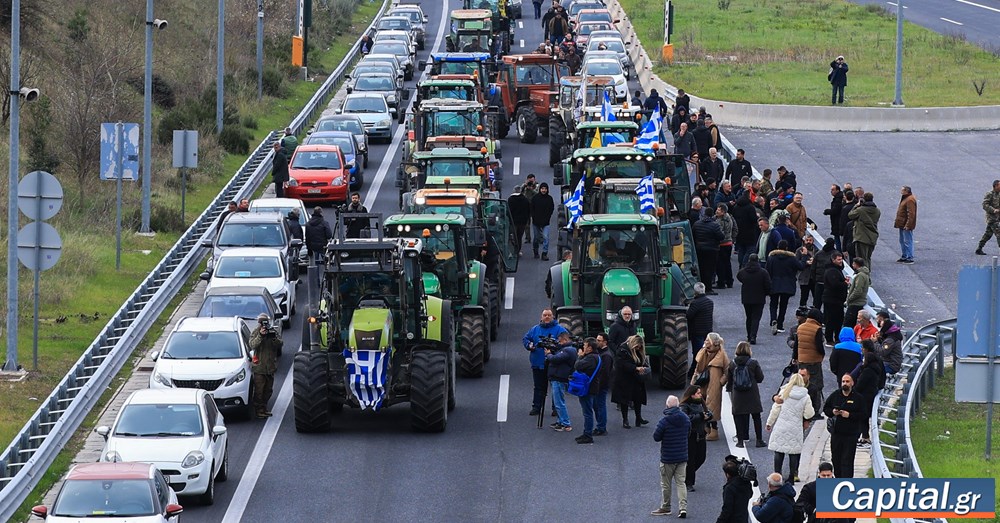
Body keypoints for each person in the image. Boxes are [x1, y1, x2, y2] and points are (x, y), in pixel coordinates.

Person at [765, 373, 814, 484]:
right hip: (795, 427)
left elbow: (775, 410)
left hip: (781, 425)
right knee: (793, 452)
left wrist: (769, 423)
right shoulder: (805, 396)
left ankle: (777, 475)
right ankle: (792, 477)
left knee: (779, 451)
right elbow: (809, 413)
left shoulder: (784, 393)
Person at [522, 309, 568, 416]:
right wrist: (529, 345)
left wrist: (555, 346)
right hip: (538, 364)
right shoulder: (535, 329)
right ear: (541, 317)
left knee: (555, 387)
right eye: (545, 315)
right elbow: (526, 339)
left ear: (553, 317)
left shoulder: (560, 329)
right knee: (538, 387)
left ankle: (556, 408)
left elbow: (567, 342)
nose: (547, 317)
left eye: (549, 315)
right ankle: (537, 407)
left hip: (554, 364)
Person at [651, 395, 690, 517]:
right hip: (682, 456)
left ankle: (666, 507)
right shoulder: (686, 419)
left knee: (666, 484)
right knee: (681, 483)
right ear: (678, 405)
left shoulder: (664, 421)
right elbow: (688, 433)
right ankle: (682, 508)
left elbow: (656, 437)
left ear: (667, 406)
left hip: (668, 458)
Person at [824, 374, 864, 478]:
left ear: (852, 383)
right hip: (837, 434)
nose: (845, 383)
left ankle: (847, 483)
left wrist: (849, 415)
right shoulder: (835, 395)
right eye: (843, 381)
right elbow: (826, 409)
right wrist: (833, 412)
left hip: (851, 434)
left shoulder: (858, 398)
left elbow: (864, 414)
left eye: (847, 381)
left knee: (847, 460)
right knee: (836, 459)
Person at [690, 332, 729, 441]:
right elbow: (697, 368)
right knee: (703, 405)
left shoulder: (722, 355)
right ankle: (706, 427)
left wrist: (721, 382)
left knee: (712, 407)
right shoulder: (703, 352)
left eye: (707, 340)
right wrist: (694, 379)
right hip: (702, 383)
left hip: (714, 384)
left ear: (712, 342)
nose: (705, 341)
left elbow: (728, 370)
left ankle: (714, 430)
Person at [726, 341, 765, 448]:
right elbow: (760, 378)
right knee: (756, 416)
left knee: (738, 416)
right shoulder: (753, 363)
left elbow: (729, 380)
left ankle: (740, 441)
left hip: (737, 394)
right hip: (752, 393)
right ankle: (759, 440)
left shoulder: (732, 363)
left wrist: (730, 389)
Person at [249, 313, 283, 418]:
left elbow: (280, 344)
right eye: (262, 322)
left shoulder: (272, 330)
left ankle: (264, 408)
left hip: (270, 367)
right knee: (259, 391)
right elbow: (252, 345)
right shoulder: (256, 332)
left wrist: (273, 338)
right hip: (259, 367)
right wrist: (261, 335)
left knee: (268, 390)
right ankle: (258, 410)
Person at [679, 385, 712, 492]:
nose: (700, 394)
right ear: (692, 395)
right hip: (690, 436)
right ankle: (689, 482)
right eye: (698, 393)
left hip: (701, 435)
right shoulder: (684, 405)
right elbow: (685, 419)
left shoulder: (701, 403)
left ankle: (686, 475)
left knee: (701, 458)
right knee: (691, 460)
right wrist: (700, 416)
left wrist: (709, 415)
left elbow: (707, 412)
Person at [766, 240, 802, 335]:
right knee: (783, 305)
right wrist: (805, 256)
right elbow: (800, 266)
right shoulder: (791, 258)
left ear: (777, 247)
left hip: (774, 283)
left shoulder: (771, 258)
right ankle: (780, 324)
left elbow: (768, 270)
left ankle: (773, 319)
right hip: (787, 284)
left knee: (773, 304)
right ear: (787, 248)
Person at [613, 335, 650, 429]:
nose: (638, 348)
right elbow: (621, 364)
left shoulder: (638, 350)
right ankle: (625, 420)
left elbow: (642, 360)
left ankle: (639, 418)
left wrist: (644, 367)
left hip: (636, 378)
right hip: (624, 379)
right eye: (637, 346)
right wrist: (635, 368)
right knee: (624, 400)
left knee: (638, 399)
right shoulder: (622, 350)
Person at [545, 331, 577, 432]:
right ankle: (560, 421)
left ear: (565, 340)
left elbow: (555, 359)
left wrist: (548, 354)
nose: (558, 343)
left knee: (559, 403)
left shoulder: (568, 350)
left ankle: (566, 423)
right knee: (558, 401)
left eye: (560, 341)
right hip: (557, 377)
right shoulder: (566, 349)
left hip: (559, 378)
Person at [853, 345, 884, 448]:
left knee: (862, 417)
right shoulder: (875, 369)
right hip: (870, 395)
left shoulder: (867, 371)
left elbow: (860, 385)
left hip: (865, 397)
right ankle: (864, 436)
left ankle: (865, 437)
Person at [574, 337, 603, 444]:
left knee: (587, 412)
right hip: (592, 387)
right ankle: (587, 432)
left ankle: (588, 435)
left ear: (590, 348)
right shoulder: (597, 357)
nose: (583, 348)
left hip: (587, 388)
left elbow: (577, 366)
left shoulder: (591, 358)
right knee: (589, 411)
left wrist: (580, 356)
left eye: (585, 346)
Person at [737, 254, 771, 344]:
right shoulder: (763, 272)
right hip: (759, 297)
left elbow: (739, 276)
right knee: (756, 318)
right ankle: (753, 336)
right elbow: (768, 284)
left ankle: (748, 335)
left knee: (749, 317)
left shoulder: (743, 271)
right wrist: (766, 292)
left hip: (746, 297)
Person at [686, 282, 714, 377]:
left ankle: (694, 372)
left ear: (695, 292)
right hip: (707, 330)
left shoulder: (695, 303)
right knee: (706, 352)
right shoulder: (710, 302)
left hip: (697, 331)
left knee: (698, 353)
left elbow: (689, 315)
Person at [693, 212, 725, 295]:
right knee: (710, 269)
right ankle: (708, 288)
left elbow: (693, 235)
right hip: (712, 250)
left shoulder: (697, 224)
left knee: (701, 268)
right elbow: (721, 236)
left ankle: (701, 288)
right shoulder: (715, 225)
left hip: (699, 249)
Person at [848, 193, 880, 272]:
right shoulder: (877, 211)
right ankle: (867, 274)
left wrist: (856, 205)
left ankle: (864, 276)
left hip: (861, 237)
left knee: (861, 259)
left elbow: (850, 215)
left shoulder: (860, 210)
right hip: (872, 236)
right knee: (868, 258)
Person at [716, 458, 754, 523]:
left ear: (727, 474)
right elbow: (750, 494)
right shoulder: (746, 483)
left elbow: (727, 509)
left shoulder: (729, 488)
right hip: (743, 518)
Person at [822, 252, 848, 344]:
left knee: (838, 320)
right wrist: (845, 284)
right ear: (833, 260)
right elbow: (834, 284)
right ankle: (829, 339)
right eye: (839, 259)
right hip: (832, 300)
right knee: (832, 320)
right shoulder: (832, 271)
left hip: (836, 299)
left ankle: (836, 338)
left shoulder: (836, 269)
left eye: (841, 259)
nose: (841, 261)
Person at [594, 332, 614, 436]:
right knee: (597, 405)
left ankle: (601, 427)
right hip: (598, 384)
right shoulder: (601, 353)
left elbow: (605, 374)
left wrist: (598, 386)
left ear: (605, 342)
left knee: (600, 406)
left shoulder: (606, 356)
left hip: (601, 385)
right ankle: (600, 425)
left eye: (599, 340)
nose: (596, 342)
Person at [716, 203, 739, 289]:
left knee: (720, 264)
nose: (716, 211)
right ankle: (729, 281)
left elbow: (719, 232)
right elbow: (735, 229)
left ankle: (721, 282)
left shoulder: (721, 220)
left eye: (718, 210)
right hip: (728, 243)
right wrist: (732, 239)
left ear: (723, 211)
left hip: (722, 244)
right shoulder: (730, 218)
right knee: (727, 263)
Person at [530, 182, 555, 260]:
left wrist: (548, 217)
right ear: (540, 189)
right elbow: (531, 209)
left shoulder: (549, 199)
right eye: (542, 189)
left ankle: (544, 253)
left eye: (545, 189)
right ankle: (536, 251)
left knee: (546, 237)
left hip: (546, 222)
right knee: (536, 238)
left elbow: (551, 208)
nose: (544, 190)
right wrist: (534, 217)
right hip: (536, 222)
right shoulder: (535, 198)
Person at [843, 258, 870, 328]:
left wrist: (849, 299)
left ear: (856, 265)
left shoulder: (860, 275)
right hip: (858, 303)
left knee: (848, 324)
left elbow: (858, 291)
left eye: (853, 264)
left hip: (855, 303)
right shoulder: (864, 274)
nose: (852, 265)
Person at [894, 186, 917, 263]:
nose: (901, 191)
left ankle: (909, 257)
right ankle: (904, 255)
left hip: (905, 224)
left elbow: (911, 214)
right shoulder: (906, 198)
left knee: (907, 240)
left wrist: (908, 225)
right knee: (902, 240)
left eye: (902, 190)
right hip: (902, 223)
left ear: (906, 191)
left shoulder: (910, 199)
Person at [876, 310, 903, 374]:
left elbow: (883, 352)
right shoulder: (889, 335)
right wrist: (879, 339)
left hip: (891, 365)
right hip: (886, 362)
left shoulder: (891, 339)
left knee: (873, 370)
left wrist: (875, 342)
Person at [977, 179, 1000, 255]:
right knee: (999, 233)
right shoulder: (989, 194)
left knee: (988, 234)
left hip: (997, 217)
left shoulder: (999, 194)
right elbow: (985, 205)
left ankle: (979, 248)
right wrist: (994, 210)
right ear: (995, 186)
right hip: (992, 218)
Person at [507, 185, 531, 254]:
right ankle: (518, 250)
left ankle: (513, 249)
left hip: (513, 221)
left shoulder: (510, 199)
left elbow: (508, 211)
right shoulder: (525, 199)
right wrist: (527, 219)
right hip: (522, 222)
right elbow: (528, 211)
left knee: (513, 236)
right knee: (519, 236)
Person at [796, 235, 817, 308]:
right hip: (804, 276)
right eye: (807, 240)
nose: (808, 242)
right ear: (804, 241)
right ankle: (802, 309)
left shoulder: (816, 250)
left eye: (810, 240)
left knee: (816, 296)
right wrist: (806, 262)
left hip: (814, 277)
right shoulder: (799, 250)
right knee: (804, 295)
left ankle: (815, 310)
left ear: (813, 241)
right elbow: (796, 263)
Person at [823, 184, 845, 250]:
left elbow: (835, 211)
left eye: (833, 190)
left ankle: (839, 252)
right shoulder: (839, 198)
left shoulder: (838, 200)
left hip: (837, 223)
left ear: (837, 190)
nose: (831, 191)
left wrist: (827, 211)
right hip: (838, 222)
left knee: (837, 238)